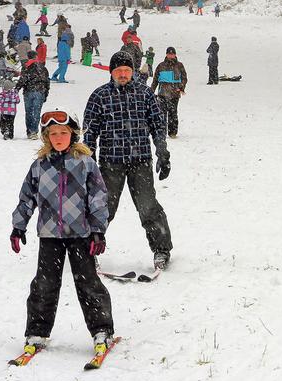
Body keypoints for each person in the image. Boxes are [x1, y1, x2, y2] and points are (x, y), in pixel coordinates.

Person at [10, 109, 114, 357]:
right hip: (49, 235)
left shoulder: (86, 163)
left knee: (88, 284)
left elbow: (99, 198)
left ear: (72, 135)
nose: (58, 137)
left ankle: (102, 330)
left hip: (81, 234)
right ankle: (37, 332)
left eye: (63, 133)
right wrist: (18, 226)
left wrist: (98, 230)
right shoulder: (39, 166)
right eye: (53, 133)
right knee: (43, 285)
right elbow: (27, 198)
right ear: (47, 137)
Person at [83, 51, 173, 270]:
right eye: (118, 71)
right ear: (111, 72)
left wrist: (162, 152)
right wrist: (89, 159)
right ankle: (87, 250)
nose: (123, 74)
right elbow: (89, 132)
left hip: (140, 161)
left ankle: (161, 250)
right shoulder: (100, 96)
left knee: (148, 207)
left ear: (132, 72)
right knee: (102, 208)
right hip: (110, 163)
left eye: (126, 71)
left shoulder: (145, 94)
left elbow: (158, 126)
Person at [151, 47, 188, 138]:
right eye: (169, 53)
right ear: (166, 54)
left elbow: (184, 78)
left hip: (175, 93)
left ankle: (172, 133)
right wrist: (151, 91)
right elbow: (155, 80)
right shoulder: (161, 65)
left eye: (172, 54)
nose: (170, 55)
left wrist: (181, 87)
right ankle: (162, 132)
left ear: (175, 54)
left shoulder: (179, 65)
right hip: (162, 93)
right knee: (162, 113)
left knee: (173, 113)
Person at [16, 50, 50, 139]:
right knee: (36, 112)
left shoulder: (26, 67)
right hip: (40, 91)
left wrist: (17, 89)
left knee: (29, 112)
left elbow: (23, 79)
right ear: (36, 56)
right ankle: (34, 131)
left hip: (28, 91)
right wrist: (46, 93)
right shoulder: (42, 67)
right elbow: (47, 81)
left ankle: (29, 131)